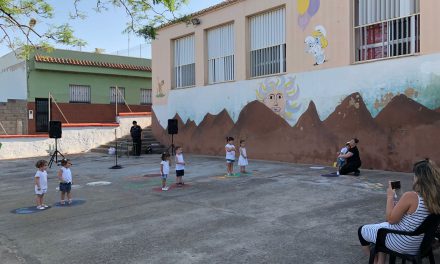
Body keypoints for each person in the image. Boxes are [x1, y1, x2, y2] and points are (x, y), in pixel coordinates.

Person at [358, 159, 440, 264]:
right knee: (381, 228)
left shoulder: (411, 196)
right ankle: (381, 259)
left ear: (419, 178)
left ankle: (375, 261)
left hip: (404, 243)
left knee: (362, 230)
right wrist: (401, 204)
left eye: (414, 175)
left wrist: (390, 196)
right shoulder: (435, 198)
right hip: (422, 243)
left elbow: (390, 220)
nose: (413, 178)